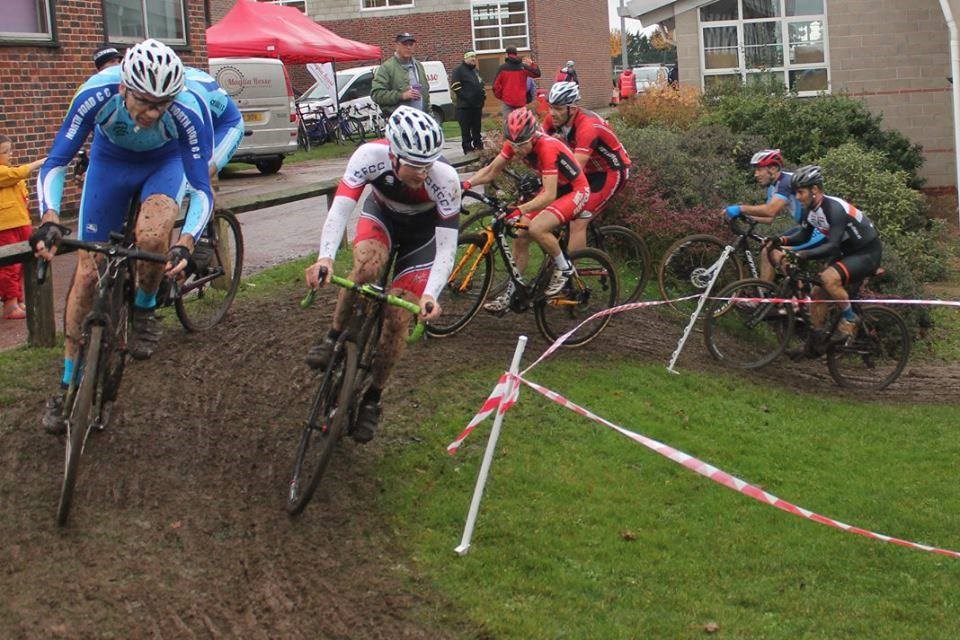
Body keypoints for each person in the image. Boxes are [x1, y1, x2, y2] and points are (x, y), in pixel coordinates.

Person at [31, 39, 214, 434]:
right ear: (123, 89)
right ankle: (66, 385)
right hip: (109, 163)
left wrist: (187, 240)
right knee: (87, 273)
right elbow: (57, 161)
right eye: (145, 102)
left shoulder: (187, 110)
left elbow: (202, 188)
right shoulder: (95, 93)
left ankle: (145, 307)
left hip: (164, 165)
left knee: (151, 238)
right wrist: (48, 216)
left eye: (161, 104)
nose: (152, 113)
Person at [303, 106, 457, 443]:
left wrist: (430, 295)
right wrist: (325, 259)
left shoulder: (445, 180)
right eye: (416, 166)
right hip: (382, 219)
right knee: (366, 268)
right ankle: (333, 336)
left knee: (399, 315)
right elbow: (341, 208)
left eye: (428, 164)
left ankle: (373, 396)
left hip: (423, 238)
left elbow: (447, 248)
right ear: (394, 155)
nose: (423, 173)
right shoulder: (369, 156)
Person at [462, 107, 590, 313]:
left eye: (521, 145)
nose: (517, 149)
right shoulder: (514, 143)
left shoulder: (547, 147)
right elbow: (492, 170)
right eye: (513, 144)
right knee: (520, 236)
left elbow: (548, 195)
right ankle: (512, 293)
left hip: (575, 190)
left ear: (532, 136)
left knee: (537, 228)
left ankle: (565, 268)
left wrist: (518, 209)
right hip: (556, 189)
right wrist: (466, 185)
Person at [772, 165, 882, 345]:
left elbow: (831, 246)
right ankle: (816, 342)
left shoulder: (834, 209)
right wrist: (781, 240)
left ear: (814, 190)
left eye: (800, 192)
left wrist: (803, 254)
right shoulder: (811, 208)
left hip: (867, 252)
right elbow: (803, 235)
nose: (797, 197)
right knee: (817, 295)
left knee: (828, 279)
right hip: (847, 251)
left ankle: (850, 318)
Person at [542, 81, 631, 253]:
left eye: (559, 109)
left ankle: (573, 273)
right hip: (588, 171)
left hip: (611, 172)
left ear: (572, 109)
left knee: (578, 220)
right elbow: (538, 144)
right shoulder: (553, 118)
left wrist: (548, 178)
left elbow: (574, 170)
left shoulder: (588, 127)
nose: (553, 113)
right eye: (551, 107)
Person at [724, 149, 824, 283]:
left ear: (773, 168)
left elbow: (770, 210)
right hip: (806, 227)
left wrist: (739, 208)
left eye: (759, 169)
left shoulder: (786, 181)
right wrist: (743, 215)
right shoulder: (773, 187)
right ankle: (765, 296)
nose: (756, 174)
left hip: (821, 229)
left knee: (778, 252)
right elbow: (769, 218)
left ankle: (798, 298)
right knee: (767, 249)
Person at [0, 134, 44, 320]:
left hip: (20, 222)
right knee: (10, 266)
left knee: (22, 264)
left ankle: (17, 298)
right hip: (5, 226)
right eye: (4, 152)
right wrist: (40, 163)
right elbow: (18, 174)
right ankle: (10, 304)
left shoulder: (9, 172)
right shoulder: (6, 173)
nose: (9, 155)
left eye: (9, 151)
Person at [371, 33, 431, 117]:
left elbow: (426, 95)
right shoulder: (386, 68)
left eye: (411, 44)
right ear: (396, 46)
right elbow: (377, 94)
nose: (408, 47)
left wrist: (431, 116)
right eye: (405, 44)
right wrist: (402, 96)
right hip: (399, 121)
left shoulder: (418, 66)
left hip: (420, 120)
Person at [450, 51, 485, 154]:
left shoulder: (476, 71)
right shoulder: (458, 70)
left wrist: (483, 97)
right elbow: (455, 86)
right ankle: (468, 149)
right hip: (464, 107)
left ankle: (479, 147)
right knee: (466, 131)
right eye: (470, 57)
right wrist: (467, 97)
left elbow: (481, 85)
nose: (473, 59)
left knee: (477, 129)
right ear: (465, 58)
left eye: (474, 57)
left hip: (477, 106)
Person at [493, 46, 541, 116]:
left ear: (507, 54)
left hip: (507, 102)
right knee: (521, 124)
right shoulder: (523, 67)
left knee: (509, 124)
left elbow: (495, 86)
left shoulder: (502, 68)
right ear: (516, 54)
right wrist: (532, 64)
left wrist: (502, 96)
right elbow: (537, 74)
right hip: (521, 102)